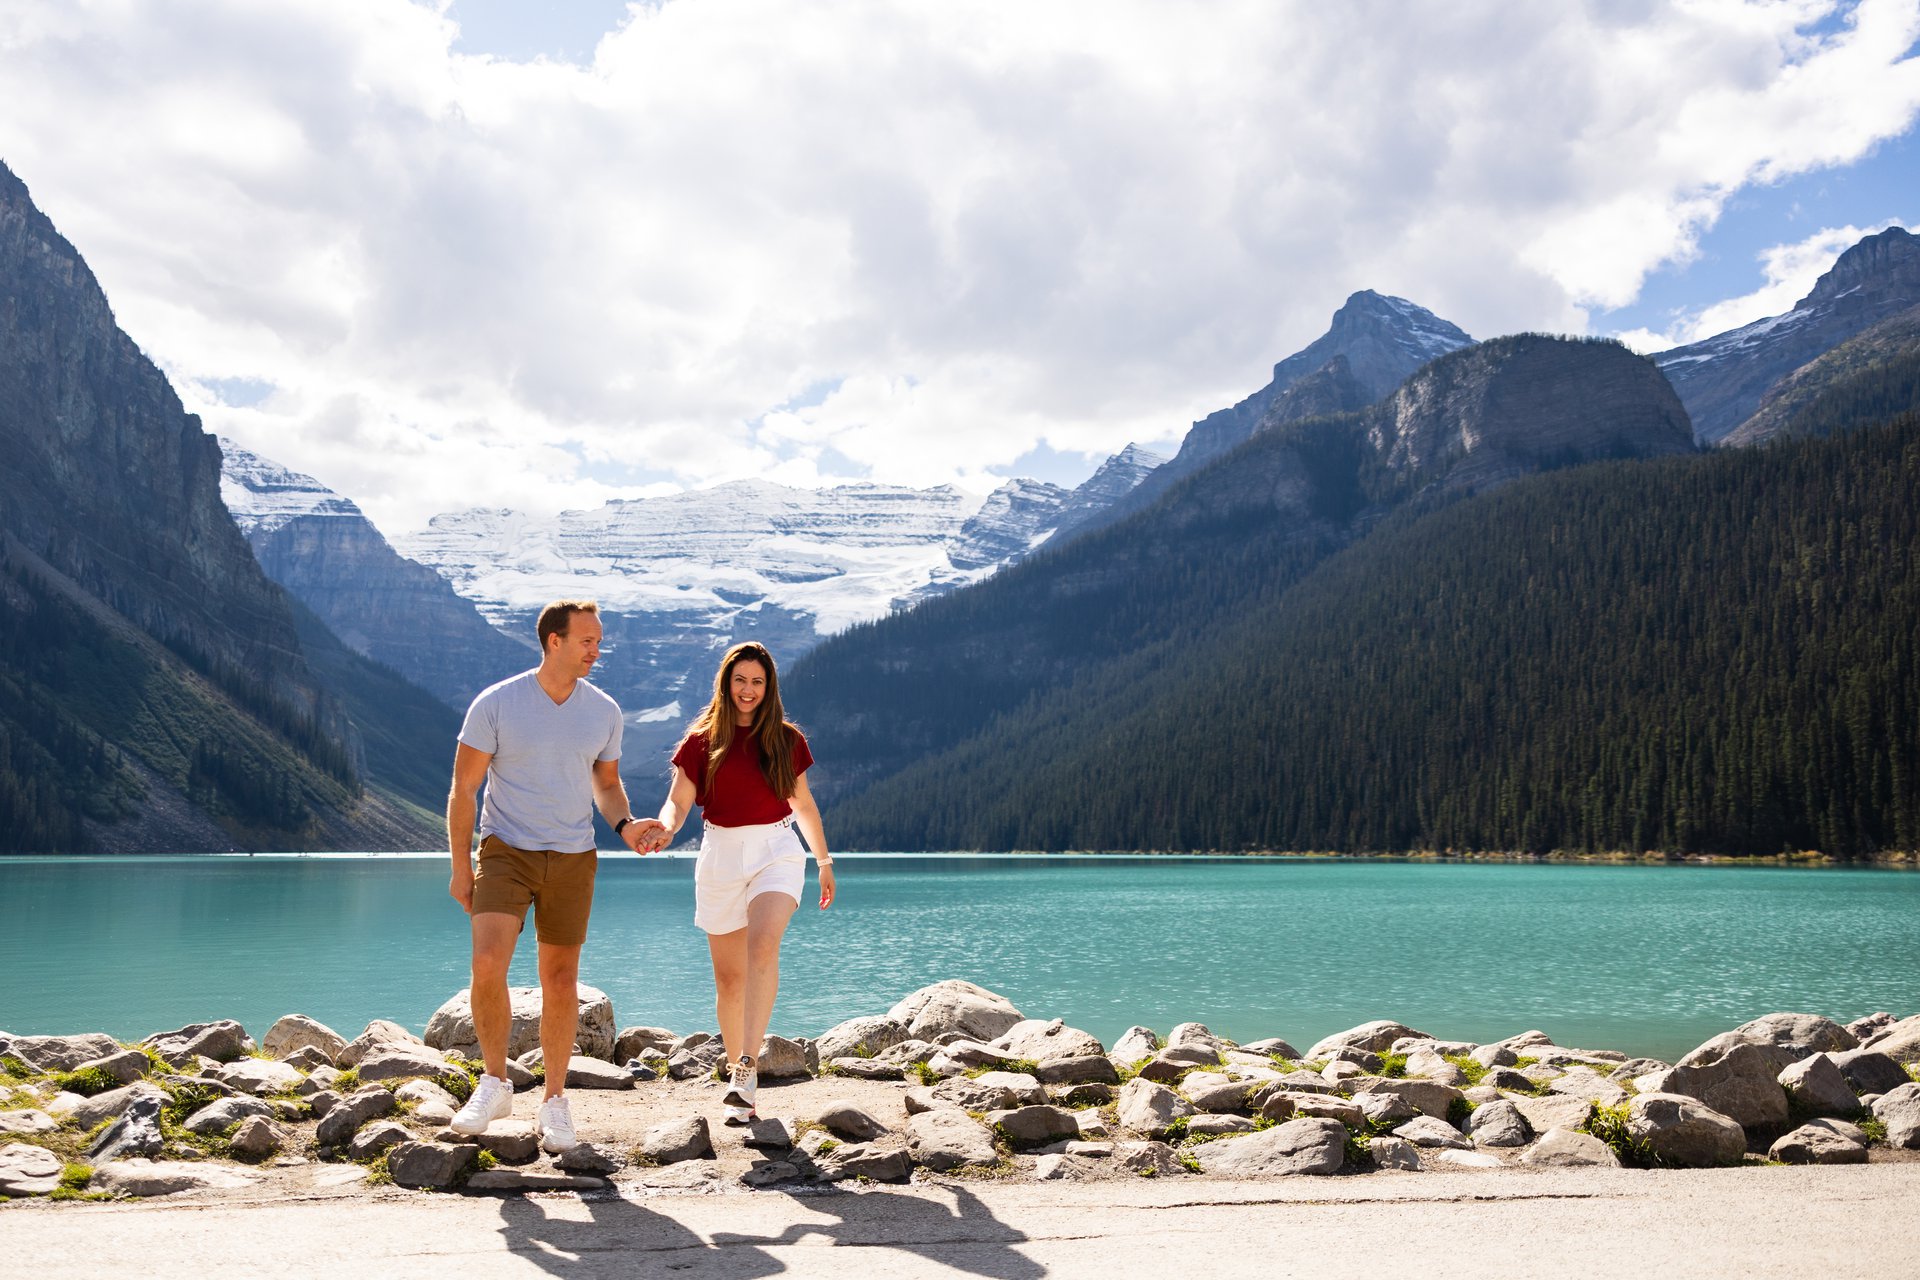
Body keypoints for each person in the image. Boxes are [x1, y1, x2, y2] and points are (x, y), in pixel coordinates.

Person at [445, 600, 664, 1151]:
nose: (597, 649)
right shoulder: (496, 703)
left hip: (572, 856)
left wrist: (625, 825)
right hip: (505, 850)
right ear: (553, 642)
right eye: (587, 640)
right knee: (488, 962)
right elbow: (463, 791)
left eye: (599, 640)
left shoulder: (604, 711)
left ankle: (555, 1102)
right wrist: (458, 867)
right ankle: (495, 1082)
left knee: (561, 980)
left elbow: (606, 783)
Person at [640, 641, 835, 1123]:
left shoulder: (786, 739)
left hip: (777, 851)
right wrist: (665, 826)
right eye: (740, 680)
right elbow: (679, 802)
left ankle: (748, 1064)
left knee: (762, 947)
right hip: (719, 855)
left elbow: (803, 805)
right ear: (726, 683)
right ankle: (738, 1078)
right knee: (729, 981)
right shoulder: (700, 741)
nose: (748, 690)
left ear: (769, 689)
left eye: (758, 682)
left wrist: (824, 860)